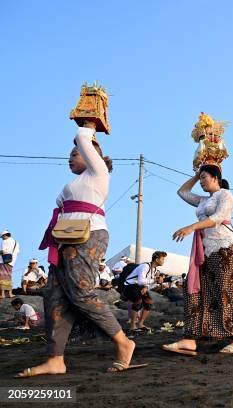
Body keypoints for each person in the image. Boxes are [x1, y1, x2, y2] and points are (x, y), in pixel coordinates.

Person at [18, 123, 139, 377]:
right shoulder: (79, 181)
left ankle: (123, 342)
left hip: (89, 234)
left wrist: (88, 126)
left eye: (74, 153)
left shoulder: (99, 173)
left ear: (90, 154)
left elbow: (83, 138)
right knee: (53, 296)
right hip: (65, 238)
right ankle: (55, 360)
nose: (70, 158)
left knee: (81, 291)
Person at [165, 160, 233, 356]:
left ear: (215, 178)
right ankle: (191, 338)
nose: (201, 182)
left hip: (225, 247)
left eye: (204, 178)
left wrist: (191, 227)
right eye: (200, 179)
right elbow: (182, 192)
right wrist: (196, 173)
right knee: (199, 292)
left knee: (226, 290)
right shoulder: (202, 200)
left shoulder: (225, 195)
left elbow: (218, 218)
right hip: (206, 250)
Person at [123, 251, 167, 331]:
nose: (164, 261)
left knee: (148, 303)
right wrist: (155, 279)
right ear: (157, 259)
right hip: (129, 286)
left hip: (139, 286)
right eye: (163, 259)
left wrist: (146, 287)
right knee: (138, 302)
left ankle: (140, 324)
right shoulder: (145, 266)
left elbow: (147, 281)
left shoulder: (154, 269)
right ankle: (132, 326)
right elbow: (141, 281)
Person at [0, 230, 20, 298]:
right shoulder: (16, 242)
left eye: (2, 236)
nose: (2, 238)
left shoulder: (5, 241)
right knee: (8, 277)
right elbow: (17, 252)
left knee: (2, 276)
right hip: (11, 262)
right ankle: (10, 293)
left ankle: (2, 294)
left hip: (3, 261)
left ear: (5, 235)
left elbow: (3, 251)